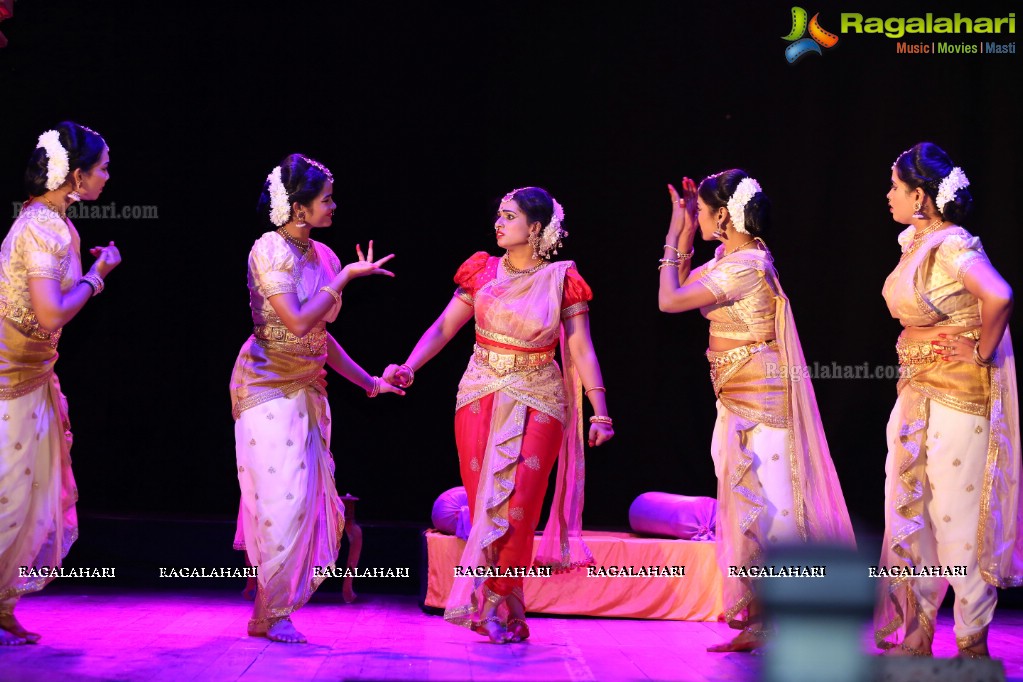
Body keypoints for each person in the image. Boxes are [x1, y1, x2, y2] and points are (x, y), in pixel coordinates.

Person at [383, 186, 614, 643]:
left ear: (534, 228)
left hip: (541, 398)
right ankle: (502, 603)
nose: (499, 223)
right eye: (499, 216)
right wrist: (409, 366)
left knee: (521, 509)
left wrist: (600, 411)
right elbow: (445, 326)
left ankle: (499, 598)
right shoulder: (482, 272)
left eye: (509, 217)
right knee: (485, 504)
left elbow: (580, 347)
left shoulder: (562, 279)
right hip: (480, 392)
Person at [657, 170, 855, 652]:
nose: (696, 218)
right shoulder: (732, 257)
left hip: (760, 398)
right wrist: (684, 233)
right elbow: (681, 286)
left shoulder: (747, 265)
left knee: (776, 510)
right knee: (749, 508)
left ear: (722, 214)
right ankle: (762, 622)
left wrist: (673, 237)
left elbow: (670, 299)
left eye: (701, 211)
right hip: (734, 396)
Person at [230, 154, 401, 644]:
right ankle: (276, 612)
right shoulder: (268, 251)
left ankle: (266, 612)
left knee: (300, 502)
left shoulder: (323, 256)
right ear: (299, 208)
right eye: (326, 198)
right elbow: (298, 319)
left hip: (308, 388)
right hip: (263, 387)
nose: (334, 206)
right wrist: (344, 279)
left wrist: (370, 381)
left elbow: (318, 337)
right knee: (279, 503)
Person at [875, 142, 1018, 659]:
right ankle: (918, 635)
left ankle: (971, 642)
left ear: (920, 195)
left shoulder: (954, 244)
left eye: (894, 185)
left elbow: (998, 295)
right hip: (917, 391)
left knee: (956, 519)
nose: (888, 194)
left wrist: (980, 352)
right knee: (916, 511)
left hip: (958, 396)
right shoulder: (916, 242)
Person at [0, 122, 121, 646]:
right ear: (76, 175)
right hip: (9, 378)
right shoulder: (43, 228)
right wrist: (99, 277)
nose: (107, 177)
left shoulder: (55, 224)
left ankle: (1, 608)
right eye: (102, 168)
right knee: (8, 496)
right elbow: (50, 312)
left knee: (25, 497)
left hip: (32, 375)